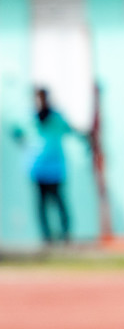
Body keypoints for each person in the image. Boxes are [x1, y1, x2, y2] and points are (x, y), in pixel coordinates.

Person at [9, 88, 76, 245]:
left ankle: (65, 235)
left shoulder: (57, 118)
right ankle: (47, 238)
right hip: (37, 169)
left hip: (55, 169)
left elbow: (70, 129)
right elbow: (16, 131)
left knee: (59, 203)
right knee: (41, 206)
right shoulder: (27, 117)